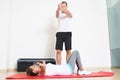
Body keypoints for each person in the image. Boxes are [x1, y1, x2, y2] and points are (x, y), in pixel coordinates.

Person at [26, 50, 91, 76]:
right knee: (76, 52)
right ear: (34, 72)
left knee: (71, 55)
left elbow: (44, 66)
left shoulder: (43, 70)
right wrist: (42, 64)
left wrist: (43, 62)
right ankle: (81, 70)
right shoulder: (42, 73)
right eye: (33, 67)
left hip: (66, 67)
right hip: (68, 70)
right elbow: (43, 68)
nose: (35, 66)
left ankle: (80, 70)